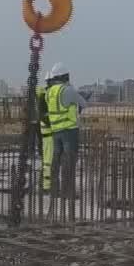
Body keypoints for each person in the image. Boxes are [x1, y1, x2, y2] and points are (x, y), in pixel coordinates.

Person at [36, 64, 80, 193]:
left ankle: (50, 187)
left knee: (50, 161)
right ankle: (50, 187)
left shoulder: (48, 94)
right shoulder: (49, 94)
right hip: (52, 132)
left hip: (51, 131)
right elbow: (43, 114)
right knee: (53, 161)